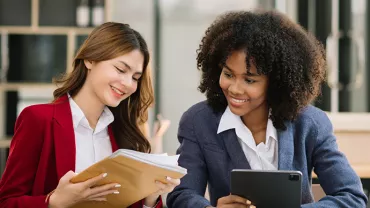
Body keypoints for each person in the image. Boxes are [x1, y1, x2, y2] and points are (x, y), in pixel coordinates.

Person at [166, 10, 368, 208]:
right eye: (228, 74)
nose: (235, 88)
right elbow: (182, 195)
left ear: (276, 82)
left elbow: (352, 197)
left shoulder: (310, 123)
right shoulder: (198, 121)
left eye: (249, 79)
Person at [0, 22, 180, 208]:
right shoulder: (38, 119)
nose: (128, 83)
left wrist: (150, 198)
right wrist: (53, 202)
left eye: (135, 77)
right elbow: (6, 202)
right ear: (90, 60)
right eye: (120, 69)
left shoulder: (125, 134)